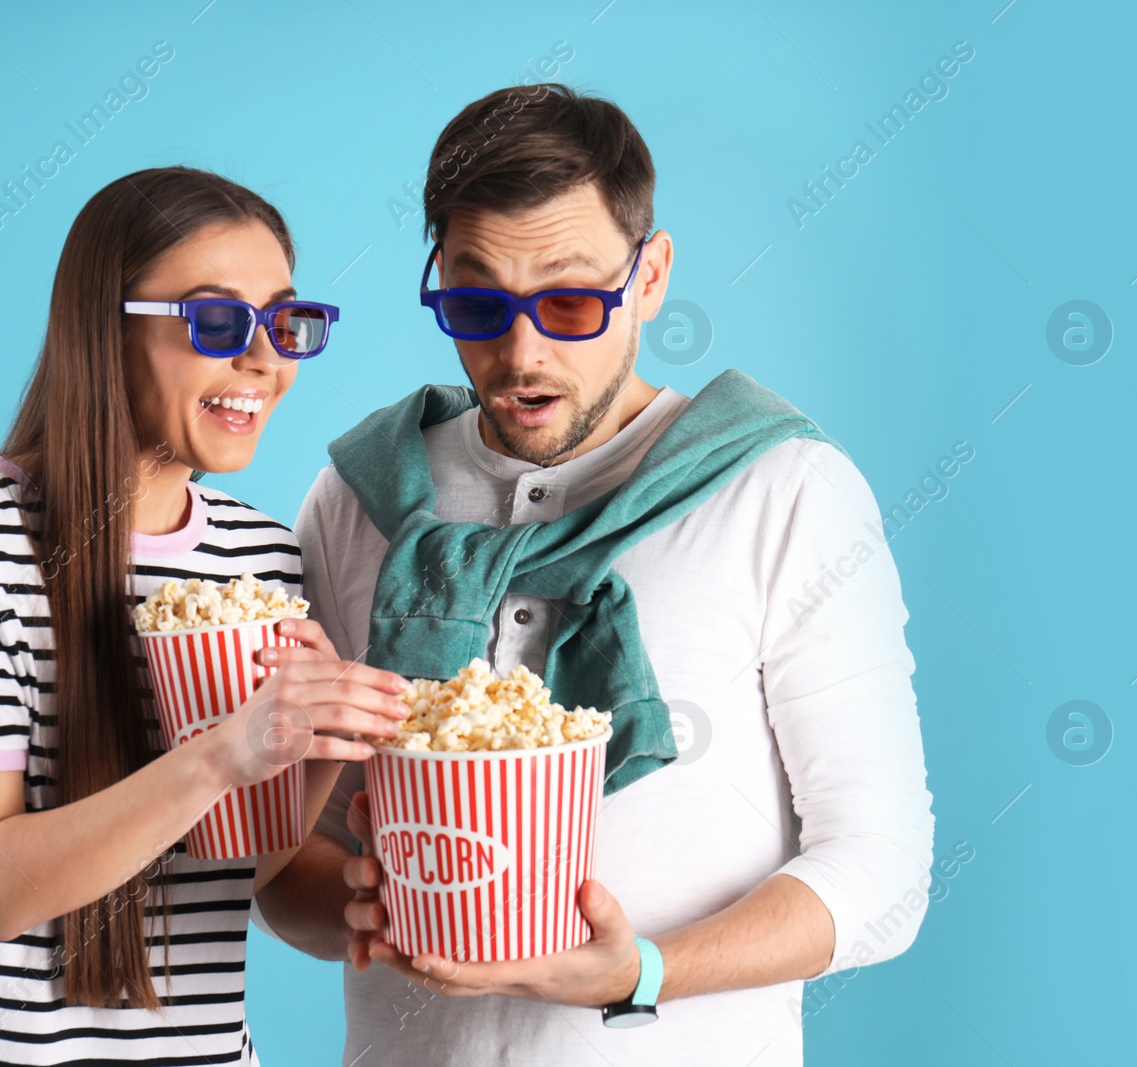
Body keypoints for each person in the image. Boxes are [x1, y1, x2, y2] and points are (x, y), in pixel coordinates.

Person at [255, 86, 936, 1065]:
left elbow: (883, 870)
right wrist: (355, 905)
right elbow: (292, 857)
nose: (520, 352)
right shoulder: (358, 496)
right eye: (477, 301)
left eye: (569, 301)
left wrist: (639, 971)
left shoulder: (782, 489)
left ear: (650, 275)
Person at [0, 165, 411, 1066]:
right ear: (104, 328)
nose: (264, 359)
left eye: (284, 322)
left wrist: (316, 756)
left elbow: (236, 865)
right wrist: (230, 747)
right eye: (218, 320)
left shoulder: (260, 559)